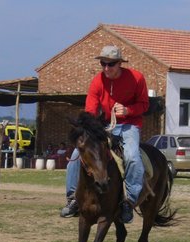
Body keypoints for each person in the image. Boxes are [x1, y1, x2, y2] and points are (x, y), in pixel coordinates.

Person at [60, 45, 149, 223]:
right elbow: (91, 111)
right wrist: (92, 127)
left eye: (111, 64)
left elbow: (144, 105)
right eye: (103, 64)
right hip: (104, 126)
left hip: (129, 125)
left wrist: (128, 110)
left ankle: (129, 202)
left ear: (120, 64)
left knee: (132, 157)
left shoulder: (137, 78)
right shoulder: (97, 81)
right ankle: (72, 200)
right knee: (77, 156)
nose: (106, 68)